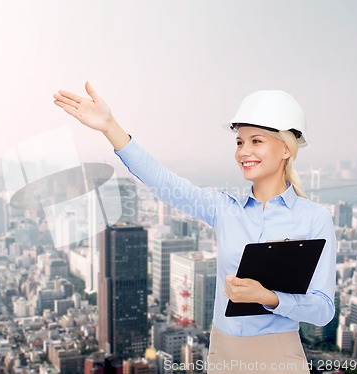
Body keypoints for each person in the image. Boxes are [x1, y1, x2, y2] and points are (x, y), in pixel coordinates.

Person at [53, 82, 336, 373]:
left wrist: (269, 298)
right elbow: (164, 182)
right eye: (239, 142)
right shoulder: (225, 210)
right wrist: (110, 127)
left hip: (279, 355)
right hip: (222, 353)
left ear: (286, 149)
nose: (243, 151)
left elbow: (324, 309)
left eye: (256, 141)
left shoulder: (314, 218)